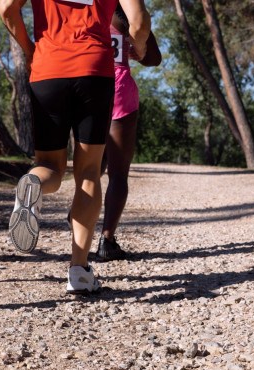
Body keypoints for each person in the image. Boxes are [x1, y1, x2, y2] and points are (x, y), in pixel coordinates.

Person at [0, 0, 151, 293]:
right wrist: (139, 47)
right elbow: (140, 22)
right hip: (94, 70)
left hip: (47, 69)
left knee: (49, 166)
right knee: (89, 172)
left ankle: (33, 184)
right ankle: (79, 271)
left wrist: (30, 49)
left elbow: (6, 8)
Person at [96, 4, 161, 261]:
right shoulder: (124, 13)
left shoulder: (80, 9)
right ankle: (107, 240)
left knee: (91, 167)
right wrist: (138, 49)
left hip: (87, 87)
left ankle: (76, 229)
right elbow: (154, 58)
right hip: (119, 89)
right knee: (118, 173)